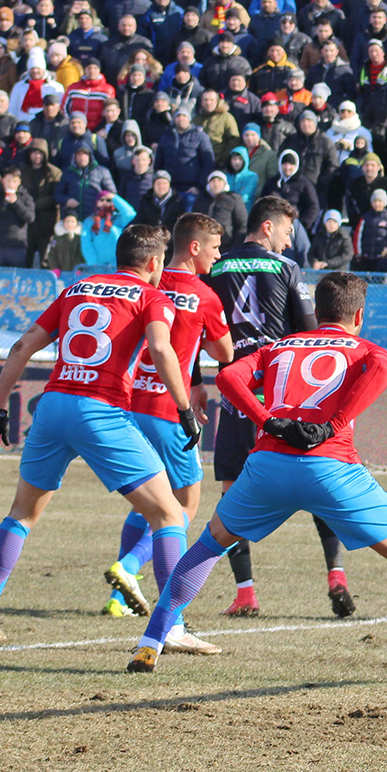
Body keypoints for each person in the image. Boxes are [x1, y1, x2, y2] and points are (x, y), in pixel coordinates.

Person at [128, 272, 387, 683]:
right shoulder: (364, 348)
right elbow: (383, 364)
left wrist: (266, 420)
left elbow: (228, 377)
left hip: (268, 467)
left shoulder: (277, 347)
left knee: (209, 546)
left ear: (316, 312)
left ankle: (150, 643)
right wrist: (331, 425)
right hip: (332, 469)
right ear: (360, 314)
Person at [0, 224, 198, 646]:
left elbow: (22, 347)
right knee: (171, 514)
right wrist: (185, 407)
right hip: (100, 409)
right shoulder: (153, 296)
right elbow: (163, 350)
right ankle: (173, 627)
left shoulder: (79, 288)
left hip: (53, 405)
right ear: (154, 263)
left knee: (22, 513)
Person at [205, 196, 350, 619]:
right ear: (267, 228)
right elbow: (311, 332)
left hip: (236, 398)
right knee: (315, 482)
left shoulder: (218, 268)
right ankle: (336, 577)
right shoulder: (286, 269)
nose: (289, 243)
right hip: (282, 395)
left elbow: (207, 333)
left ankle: (245, 593)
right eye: (288, 232)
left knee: (232, 493)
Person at [100, 216, 235, 654]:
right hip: (168, 409)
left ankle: (120, 599)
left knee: (148, 501)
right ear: (194, 248)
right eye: (215, 247)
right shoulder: (204, 295)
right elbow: (225, 353)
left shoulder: (147, 288)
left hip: (131, 404)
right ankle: (131, 567)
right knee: (185, 506)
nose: (218, 255)